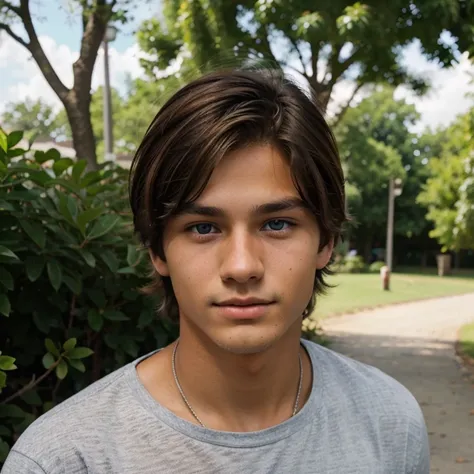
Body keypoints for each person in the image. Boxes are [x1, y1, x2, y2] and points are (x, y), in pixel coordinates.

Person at [2, 68, 430, 473]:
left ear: (326, 241)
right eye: (203, 228)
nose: (242, 266)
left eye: (277, 224)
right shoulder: (63, 459)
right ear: (157, 249)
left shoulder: (391, 422)